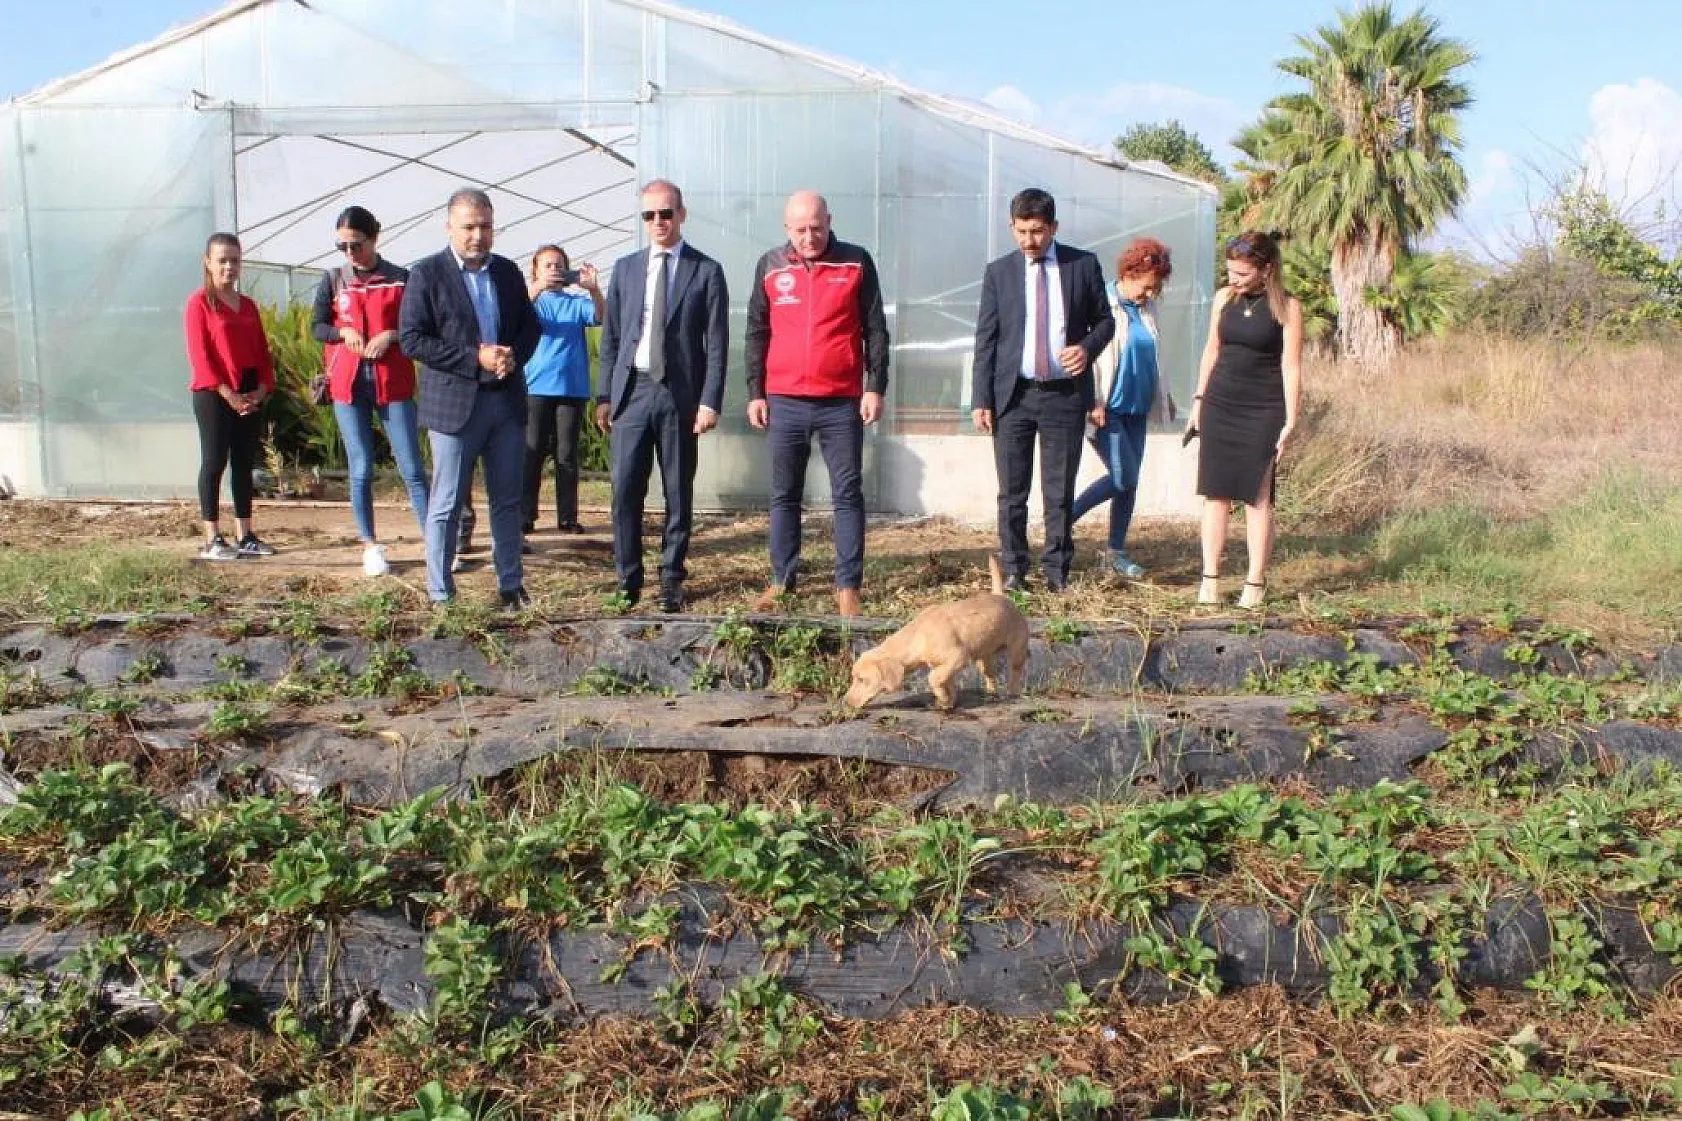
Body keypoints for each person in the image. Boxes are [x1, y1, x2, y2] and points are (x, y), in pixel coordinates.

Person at [744, 189, 890, 618]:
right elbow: (756, 331)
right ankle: (781, 581)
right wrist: (755, 392)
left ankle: (848, 586)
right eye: (801, 230)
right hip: (784, 399)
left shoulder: (856, 262)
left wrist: (875, 385)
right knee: (784, 494)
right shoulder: (770, 266)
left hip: (840, 401)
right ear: (786, 228)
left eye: (817, 228)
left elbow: (875, 329)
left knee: (847, 493)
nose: (810, 238)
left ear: (830, 221)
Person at [398, 187, 540, 609]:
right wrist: (474, 357)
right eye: (469, 227)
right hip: (455, 406)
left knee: (507, 500)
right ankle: (441, 592)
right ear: (449, 227)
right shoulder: (427, 274)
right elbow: (412, 339)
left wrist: (513, 355)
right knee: (447, 502)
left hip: (505, 402)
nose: (478, 236)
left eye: (486, 227)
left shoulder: (507, 272)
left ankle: (511, 585)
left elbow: (529, 327)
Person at [970, 188, 1115, 593]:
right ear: (1011, 227)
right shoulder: (999, 273)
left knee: (1059, 490)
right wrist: (981, 398)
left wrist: (1086, 348)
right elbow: (986, 339)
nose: (1028, 240)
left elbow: (1105, 321)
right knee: (1011, 492)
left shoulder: (1082, 265)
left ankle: (1056, 572)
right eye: (1021, 231)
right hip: (1013, 397)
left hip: (1064, 396)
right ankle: (1015, 570)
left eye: (1036, 231)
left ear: (1053, 228)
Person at [595, 180, 729, 614]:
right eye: (649, 215)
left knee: (677, 490)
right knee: (625, 490)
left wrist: (709, 401)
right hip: (632, 392)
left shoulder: (705, 271)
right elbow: (612, 338)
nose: (658, 222)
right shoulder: (626, 269)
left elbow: (717, 343)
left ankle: (671, 577)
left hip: (679, 395)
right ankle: (627, 579)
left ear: (681, 215)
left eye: (666, 214)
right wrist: (605, 395)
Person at [311, 206, 429, 578]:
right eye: (342, 246)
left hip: (391, 381)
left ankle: (436, 541)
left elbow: (419, 328)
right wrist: (341, 333)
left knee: (412, 467)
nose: (350, 253)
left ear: (375, 237)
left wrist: (391, 335)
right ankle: (369, 544)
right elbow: (317, 326)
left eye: (356, 245)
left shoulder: (401, 279)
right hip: (347, 384)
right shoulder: (333, 280)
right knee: (360, 467)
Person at [1187, 230, 1303, 610]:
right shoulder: (1224, 298)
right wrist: (1198, 401)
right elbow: (1211, 351)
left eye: (1241, 273)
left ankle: (1255, 582)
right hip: (1220, 402)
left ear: (1266, 269)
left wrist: (1291, 419)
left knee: (1258, 496)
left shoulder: (1288, 308)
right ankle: (1210, 579)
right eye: (1230, 271)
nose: (1233, 279)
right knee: (1215, 493)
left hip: (1263, 408)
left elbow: (1291, 366)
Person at [1071, 237, 1176, 579]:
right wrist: (1091, 400)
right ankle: (1063, 519)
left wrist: (1165, 394)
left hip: (1137, 408)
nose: (1151, 294)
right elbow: (1086, 356)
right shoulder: (1101, 302)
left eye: (1156, 289)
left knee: (1129, 483)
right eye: (1147, 286)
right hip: (1106, 408)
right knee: (1123, 476)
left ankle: (1115, 552)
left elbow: (1154, 355)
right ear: (1129, 274)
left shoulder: (1148, 309)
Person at [184, 232, 276, 561]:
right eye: (222, 260)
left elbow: (262, 353)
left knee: (243, 463)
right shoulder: (199, 304)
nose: (229, 267)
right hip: (214, 394)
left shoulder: (248, 306)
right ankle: (212, 537)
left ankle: (245, 534)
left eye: (234, 261)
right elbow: (201, 357)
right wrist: (228, 395)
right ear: (207, 263)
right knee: (214, 461)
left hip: (249, 392)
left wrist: (261, 390)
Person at [524, 244, 603, 535]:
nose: (554, 270)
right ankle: (525, 515)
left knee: (567, 455)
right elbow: (513, 314)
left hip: (571, 388)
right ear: (535, 271)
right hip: (535, 387)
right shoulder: (532, 302)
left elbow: (601, 317)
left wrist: (594, 290)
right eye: (547, 265)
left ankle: (567, 517)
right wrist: (537, 288)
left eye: (559, 265)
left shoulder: (576, 303)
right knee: (532, 452)